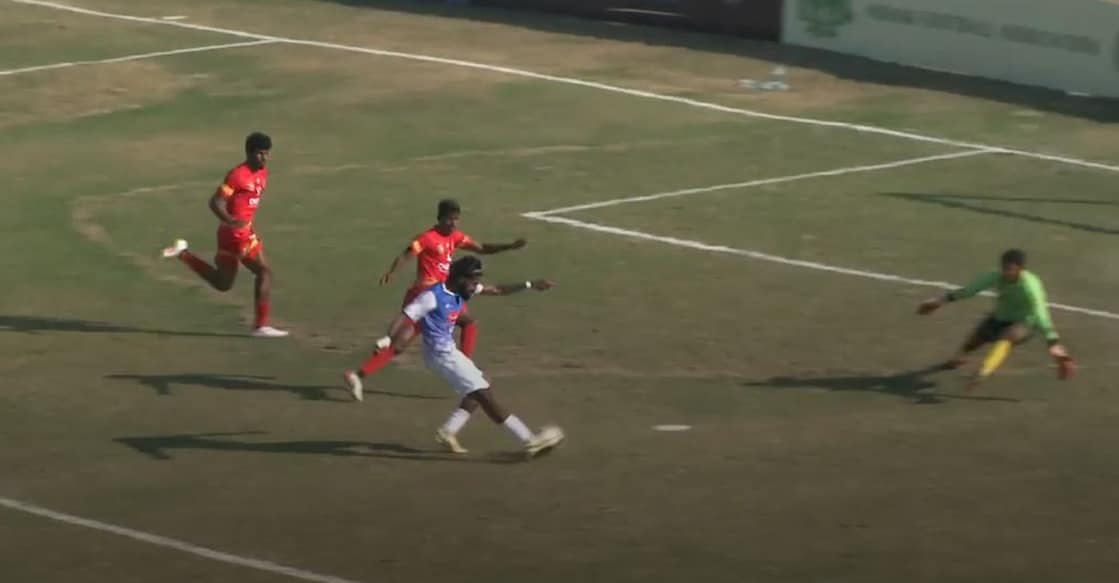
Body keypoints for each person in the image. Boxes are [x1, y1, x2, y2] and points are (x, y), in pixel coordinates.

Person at [344, 256, 564, 457]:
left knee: (481, 385)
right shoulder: (431, 297)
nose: (476, 285)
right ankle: (529, 440)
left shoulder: (461, 289)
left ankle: (448, 431)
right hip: (442, 356)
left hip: (446, 354)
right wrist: (388, 338)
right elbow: (404, 317)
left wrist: (530, 284)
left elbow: (497, 289)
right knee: (484, 396)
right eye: (473, 280)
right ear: (460, 278)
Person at [348, 199, 525, 399]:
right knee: (468, 322)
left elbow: (482, 248)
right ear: (440, 218)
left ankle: (358, 374)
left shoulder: (456, 237)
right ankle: (465, 369)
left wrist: (508, 246)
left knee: (400, 344)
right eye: (450, 219)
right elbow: (406, 255)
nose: (454, 223)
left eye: (456, 219)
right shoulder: (427, 238)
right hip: (429, 295)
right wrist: (392, 272)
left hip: (439, 295)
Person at [161, 132, 288, 338]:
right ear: (249, 153)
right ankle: (260, 327)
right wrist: (230, 221)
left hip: (236, 233)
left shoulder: (262, 173)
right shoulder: (237, 176)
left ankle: (183, 254)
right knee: (264, 273)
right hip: (236, 234)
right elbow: (215, 202)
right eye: (260, 153)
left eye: (267, 153)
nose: (265, 158)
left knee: (223, 283)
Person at [918, 249, 1075, 390]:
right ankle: (958, 359)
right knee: (976, 338)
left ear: (1020, 269)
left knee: (1008, 336)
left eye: (1010, 269)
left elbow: (1041, 314)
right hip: (1001, 315)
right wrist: (939, 301)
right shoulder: (996, 276)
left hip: (1026, 321)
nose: (1005, 272)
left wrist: (1054, 343)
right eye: (1004, 268)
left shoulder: (1030, 286)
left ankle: (983, 371)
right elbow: (969, 290)